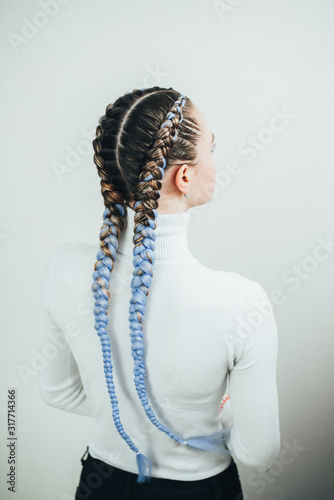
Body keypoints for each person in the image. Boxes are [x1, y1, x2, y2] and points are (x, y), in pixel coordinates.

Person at [37, 86, 280, 499]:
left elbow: (57, 391)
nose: (217, 163)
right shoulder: (241, 302)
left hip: (101, 487)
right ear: (184, 176)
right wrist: (213, 421)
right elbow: (258, 452)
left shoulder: (64, 266)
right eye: (212, 149)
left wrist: (130, 422)